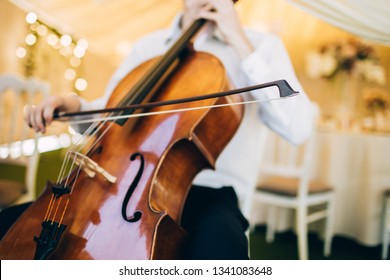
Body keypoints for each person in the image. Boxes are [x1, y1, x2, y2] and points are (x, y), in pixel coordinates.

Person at [15, 0, 314, 259]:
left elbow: (298, 129)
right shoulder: (148, 46)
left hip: (208, 195)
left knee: (221, 253)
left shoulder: (260, 47)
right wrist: (72, 105)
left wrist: (238, 39)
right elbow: (110, 115)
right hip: (118, 185)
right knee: (12, 227)